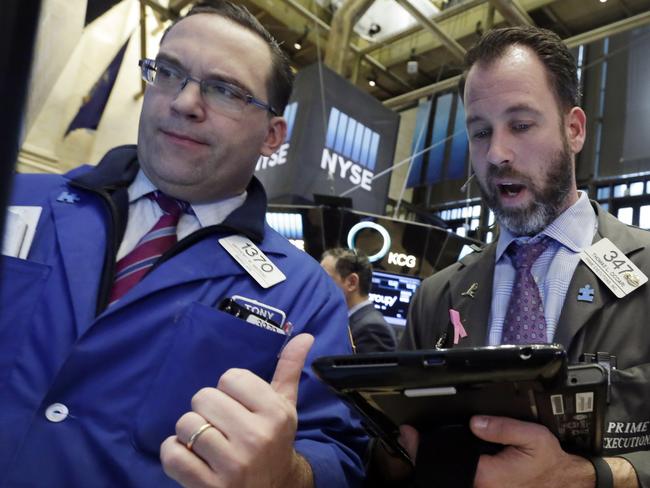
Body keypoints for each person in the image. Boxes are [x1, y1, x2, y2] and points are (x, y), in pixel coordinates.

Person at [0, 2, 367, 487]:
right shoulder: (20, 201)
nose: (184, 102)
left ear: (272, 136)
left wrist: (289, 476)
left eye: (224, 90)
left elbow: (338, 453)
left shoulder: (306, 295)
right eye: (168, 72)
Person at [377, 25, 650, 487]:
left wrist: (597, 478)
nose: (497, 153)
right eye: (480, 132)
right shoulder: (435, 296)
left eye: (521, 125)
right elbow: (393, 462)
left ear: (574, 129)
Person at [320, 248, 397, 353]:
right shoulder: (350, 321)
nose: (318, 285)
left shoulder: (372, 329)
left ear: (352, 282)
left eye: (324, 278)